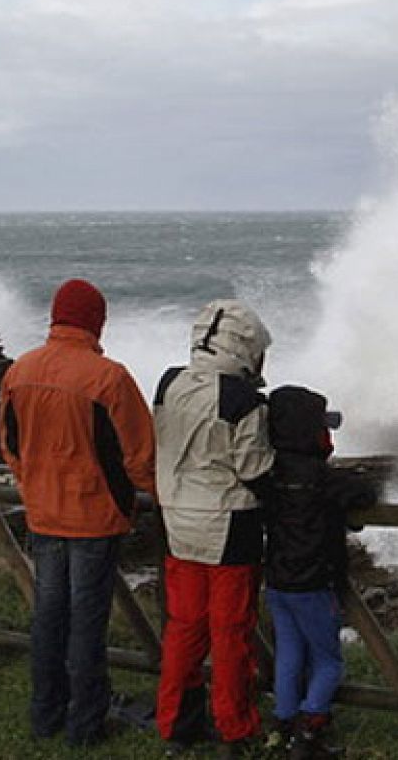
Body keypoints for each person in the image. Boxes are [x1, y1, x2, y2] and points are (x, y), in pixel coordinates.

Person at [0, 278, 157, 746]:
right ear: (95, 320)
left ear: (56, 316)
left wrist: (32, 484)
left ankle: (45, 717)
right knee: (87, 624)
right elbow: (140, 458)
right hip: (94, 517)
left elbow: (10, 445)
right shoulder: (109, 377)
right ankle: (84, 728)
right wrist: (162, 496)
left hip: (44, 513)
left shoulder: (19, 372)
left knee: (48, 617)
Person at [152, 299, 275, 758]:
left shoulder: (169, 383)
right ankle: (233, 728)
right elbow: (255, 471)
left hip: (176, 522)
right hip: (230, 525)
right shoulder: (243, 400)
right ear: (245, 348)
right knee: (230, 632)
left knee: (184, 628)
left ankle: (177, 726)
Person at [260, 385, 377, 759]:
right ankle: (309, 734)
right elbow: (364, 493)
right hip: (313, 584)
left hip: (278, 581)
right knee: (328, 661)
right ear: (311, 432)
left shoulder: (267, 472)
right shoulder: (322, 477)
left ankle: (282, 724)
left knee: (289, 655)